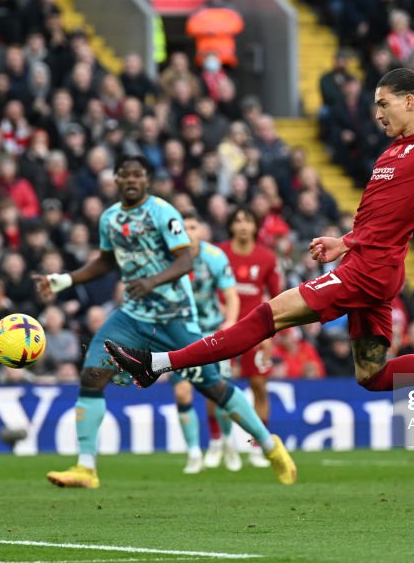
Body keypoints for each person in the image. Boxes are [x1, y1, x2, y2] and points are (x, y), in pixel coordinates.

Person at [104, 68, 414, 433]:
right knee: (373, 377)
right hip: (366, 261)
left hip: (370, 270)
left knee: (264, 317)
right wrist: (347, 240)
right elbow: (390, 216)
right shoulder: (390, 152)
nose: (377, 114)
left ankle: (158, 365)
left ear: (408, 100)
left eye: (383, 104)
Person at [38, 156, 295, 488]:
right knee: (91, 374)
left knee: (213, 386)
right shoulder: (110, 219)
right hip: (131, 316)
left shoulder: (163, 213)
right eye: (124, 174)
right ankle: (86, 467)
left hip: (175, 317)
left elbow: (185, 260)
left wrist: (152, 281)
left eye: (137, 175)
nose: (131, 180)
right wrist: (65, 280)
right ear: (116, 180)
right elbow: (105, 261)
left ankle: (271, 446)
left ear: (146, 180)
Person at [171, 210, 242, 474]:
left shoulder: (214, 257)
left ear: (200, 230)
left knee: (219, 391)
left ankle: (226, 442)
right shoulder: (168, 258)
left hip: (213, 331)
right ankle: (193, 453)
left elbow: (231, 296)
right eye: (183, 227)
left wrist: (230, 325)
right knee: (182, 391)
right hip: (181, 333)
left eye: (192, 226)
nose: (188, 232)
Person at [219, 207, 282, 468]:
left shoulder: (267, 258)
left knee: (259, 387)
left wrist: (270, 333)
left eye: (248, 221)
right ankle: (222, 444)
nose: (243, 225)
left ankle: (257, 446)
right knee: (219, 387)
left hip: (256, 333)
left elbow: (278, 298)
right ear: (231, 226)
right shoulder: (219, 253)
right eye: (238, 220)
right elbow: (209, 289)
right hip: (223, 329)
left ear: (256, 228)